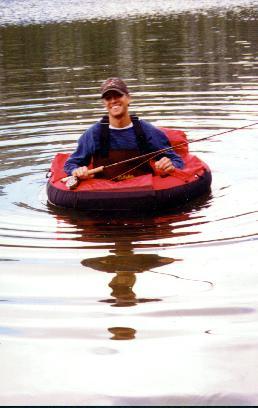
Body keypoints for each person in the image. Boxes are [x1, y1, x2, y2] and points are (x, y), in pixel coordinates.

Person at [64, 77, 184, 180]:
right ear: (104, 103)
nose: (113, 100)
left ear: (128, 98)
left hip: (143, 193)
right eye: (108, 98)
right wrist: (77, 171)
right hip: (105, 194)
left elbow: (176, 160)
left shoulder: (147, 130)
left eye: (118, 95)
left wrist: (169, 165)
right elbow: (71, 163)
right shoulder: (94, 133)